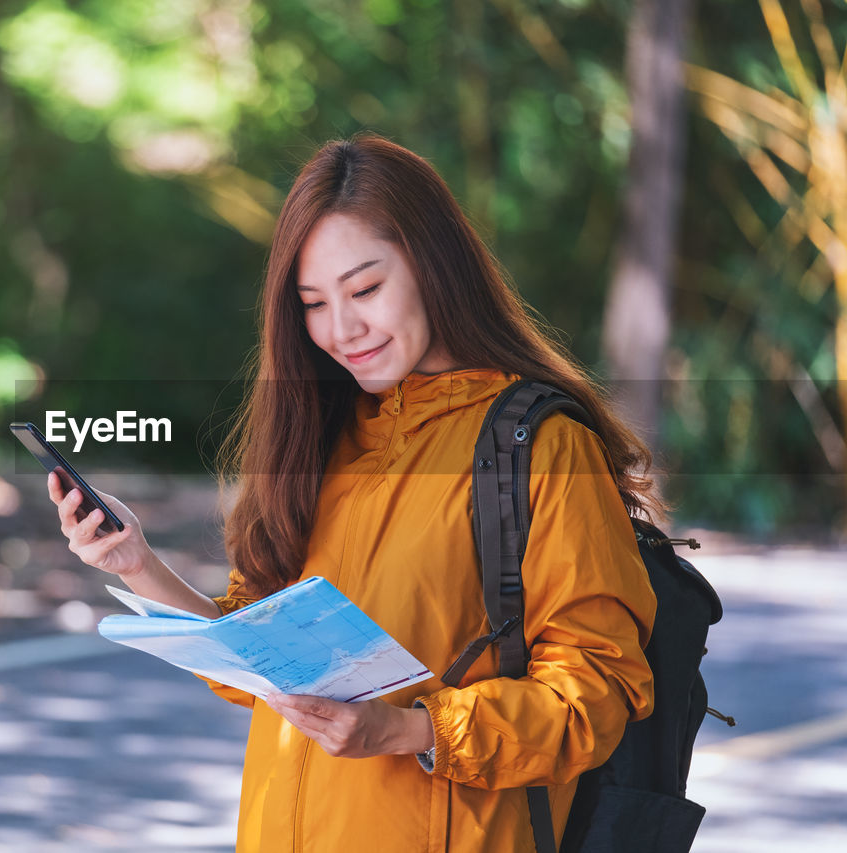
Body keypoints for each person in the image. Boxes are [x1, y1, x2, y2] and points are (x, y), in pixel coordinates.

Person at [47, 134, 657, 853]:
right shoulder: (322, 438)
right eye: (313, 302)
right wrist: (137, 564)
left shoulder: (541, 447)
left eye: (365, 289)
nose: (342, 329)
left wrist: (410, 727)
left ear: (435, 266)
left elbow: (598, 691)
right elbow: (260, 667)